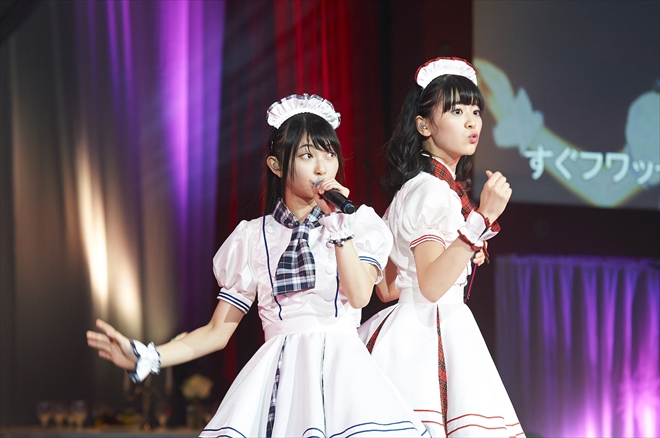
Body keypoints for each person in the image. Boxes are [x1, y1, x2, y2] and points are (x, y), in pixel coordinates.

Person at [87, 93, 426, 437]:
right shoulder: (253, 238)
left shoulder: (357, 224)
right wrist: (147, 357)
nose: (322, 167)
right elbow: (217, 332)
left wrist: (339, 228)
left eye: (329, 154)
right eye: (307, 155)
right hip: (279, 377)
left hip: (344, 377)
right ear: (276, 165)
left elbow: (360, 296)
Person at [358, 58, 525, 437]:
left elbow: (388, 287)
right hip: (429, 331)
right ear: (424, 125)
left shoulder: (416, 188)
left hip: (406, 331)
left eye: (476, 111)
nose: (471, 122)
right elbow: (431, 286)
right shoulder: (433, 192)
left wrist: (461, 248)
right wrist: (482, 219)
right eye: (456, 111)